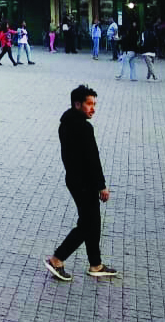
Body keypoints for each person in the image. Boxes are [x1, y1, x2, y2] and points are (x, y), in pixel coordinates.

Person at [45, 85, 119, 281]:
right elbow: (92, 159)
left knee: (92, 223)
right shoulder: (84, 127)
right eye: (89, 104)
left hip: (74, 179)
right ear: (77, 104)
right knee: (87, 224)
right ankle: (57, 259)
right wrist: (101, 185)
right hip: (85, 182)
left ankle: (96, 264)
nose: (93, 108)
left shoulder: (66, 122)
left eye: (94, 104)